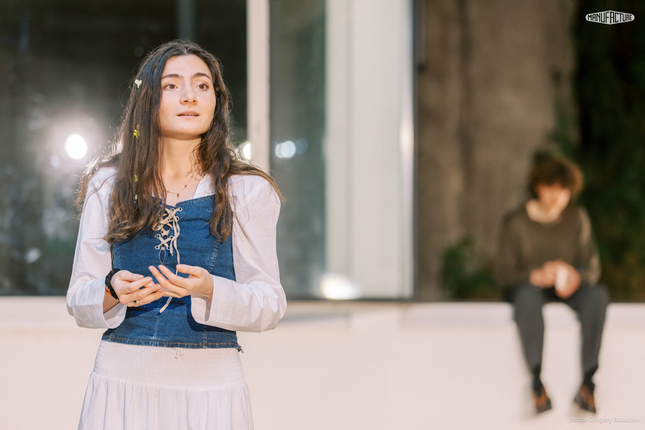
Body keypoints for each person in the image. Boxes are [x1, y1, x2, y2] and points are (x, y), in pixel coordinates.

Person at [66, 40, 286, 430]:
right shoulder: (108, 183)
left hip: (212, 389)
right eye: (172, 85)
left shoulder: (246, 189)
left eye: (202, 85)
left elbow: (270, 304)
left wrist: (211, 289)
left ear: (216, 100)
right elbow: (79, 298)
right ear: (148, 99)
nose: (189, 96)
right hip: (121, 381)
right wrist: (112, 288)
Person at [495, 155, 609, 415]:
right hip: (531, 289)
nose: (557, 197)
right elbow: (503, 274)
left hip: (568, 288)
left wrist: (574, 276)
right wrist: (534, 276)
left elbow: (592, 267)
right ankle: (537, 383)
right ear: (539, 187)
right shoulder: (516, 222)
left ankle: (588, 382)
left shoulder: (577, 218)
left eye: (563, 190)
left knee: (597, 296)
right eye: (551, 189)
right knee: (526, 297)